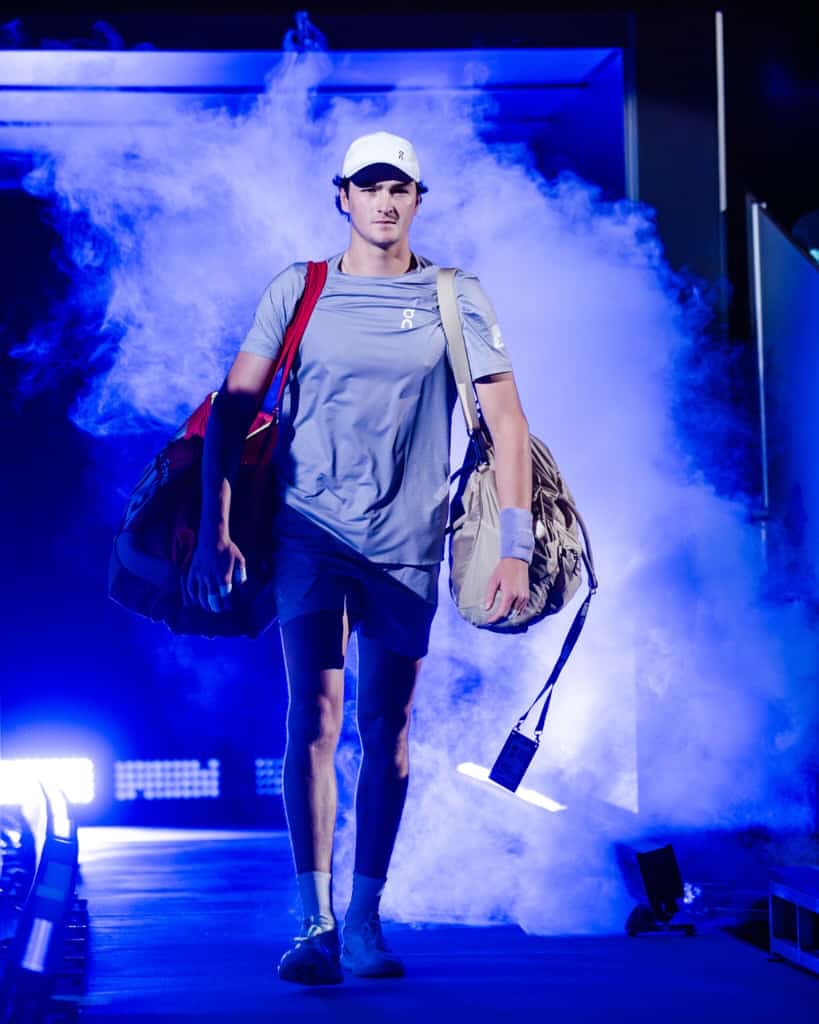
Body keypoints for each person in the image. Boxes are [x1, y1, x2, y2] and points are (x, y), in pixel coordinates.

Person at [186, 130, 533, 985]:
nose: (385, 200)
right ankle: (314, 924)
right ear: (340, 195)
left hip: (407, 546)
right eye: (369, 186)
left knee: (388, 728)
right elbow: (231, 408)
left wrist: (516, 548)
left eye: (400, 188)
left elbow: (507, 423)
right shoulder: (299, 289)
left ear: (419, 199)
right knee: (315, 719)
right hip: (308, 532)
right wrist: (214, 523)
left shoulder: (456, 297)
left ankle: (367, 921)